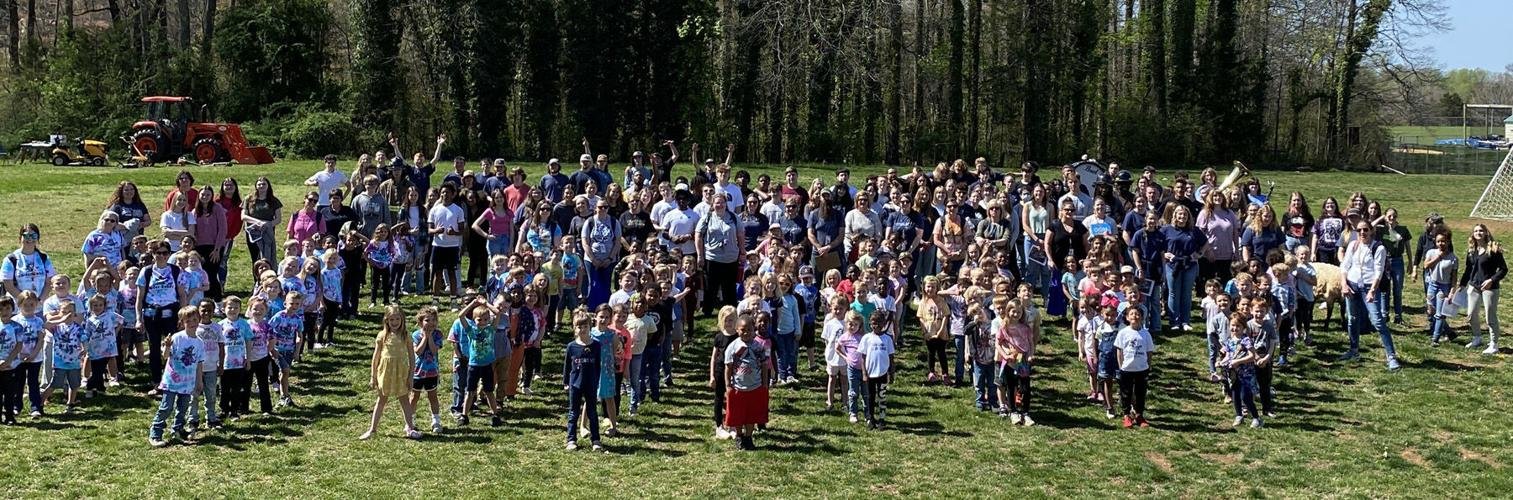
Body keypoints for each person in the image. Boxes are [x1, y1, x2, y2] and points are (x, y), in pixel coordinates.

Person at [1338, 220, 1400, 370]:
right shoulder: (1353, 245)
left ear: (1371, 230)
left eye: (1365, 230)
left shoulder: (1378, 248)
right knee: (1352, 319)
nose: (1362, 233)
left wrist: (1373, 290)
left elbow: (1378, 272)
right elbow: (1345, 266)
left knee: (1377, 320)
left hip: (1369, 287)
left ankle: (1391, 356)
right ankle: (1353, 350)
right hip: (1352, 285)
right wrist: (1344, 284)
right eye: (1359, 230)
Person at [148, 305, 204, 447]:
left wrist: (199, 382)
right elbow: (166, 356)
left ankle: (177, 430)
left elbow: (198, 364)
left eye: (195, 319)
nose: (192, 323)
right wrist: (167, 346)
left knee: (183, 408)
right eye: (188, 321)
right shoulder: (177, 338)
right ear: (182, 322)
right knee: (166, 407)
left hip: (187, 383)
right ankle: (156, 433)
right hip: (172, 381)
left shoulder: (199, 343)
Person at [361, 305, 420, 440]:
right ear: (386, 320)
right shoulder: (382, 335)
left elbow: (412, 356)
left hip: (401, 372)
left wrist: (411, 376)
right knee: (381, 399)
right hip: (385, 372)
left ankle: (410, 428)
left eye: (397, 319)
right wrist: (373, 376)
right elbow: (375, 357)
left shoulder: (406, 335)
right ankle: (372, 429)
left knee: (404, 400)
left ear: (402, 319)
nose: (394, 322)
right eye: (391, 319)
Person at [724, 313, 771, 450]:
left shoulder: (758, 347)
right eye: (742, 330)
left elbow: (764, 366)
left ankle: (749, 437)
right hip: (738, 387)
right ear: (737, 329)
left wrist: (764, 384)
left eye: (749, 330)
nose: (746, 333)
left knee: (751, 414)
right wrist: (728, 385)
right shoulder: (733, 347)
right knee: (738, 415)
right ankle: (739, 436)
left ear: (754, 329)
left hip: (755, 387)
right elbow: (728, 367)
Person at [1460, 224, 1506, 354]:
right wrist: (1462, 285)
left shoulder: (1493, 249)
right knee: (1471, 314)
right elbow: (1469, 269)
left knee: (1490, 316)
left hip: (1490, 288)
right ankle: (1477, 337)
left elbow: (1503, 269)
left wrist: (1491, 280)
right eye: (1475, 231)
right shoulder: (1472, 250)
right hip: (1474, 286)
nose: (1478, 233)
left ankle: (1494, 344)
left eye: (1481, 231)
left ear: (1486, 233)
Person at [695, 193, 744, 314]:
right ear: (712, 204)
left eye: (722, 202)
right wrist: (700, 255)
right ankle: (707, 310)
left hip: (731, 258)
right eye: (717, 202)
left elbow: (740, 234)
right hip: (712, 258)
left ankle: (731, 310)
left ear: (726, 204)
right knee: (710, 287)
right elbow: (698, 235)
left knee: (729, 287)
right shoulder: (707, 218)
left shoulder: (733, 217)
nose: (720, 205)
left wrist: (742, 251)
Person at [562, 309, 602, 451]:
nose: (582, 329)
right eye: (579, 326)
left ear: (590, 327)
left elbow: (598, 365)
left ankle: (596, 440)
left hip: (591, 384)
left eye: (585, 326)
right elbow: (567, 366)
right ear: (574, 328)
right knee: (573, 413)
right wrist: (566, 382)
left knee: (592, 412)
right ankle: (571, 439)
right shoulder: (571, 347)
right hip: (575, 384)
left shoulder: (596, 345)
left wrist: (597, 381)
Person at [1114, 306, 1156, 428]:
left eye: (1137, 314)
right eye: (1132, 314)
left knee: (1140, 393)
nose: (1135, 316)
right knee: (1125, 393)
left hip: (1141, 369)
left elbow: (1149, 351)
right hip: (1126, 369)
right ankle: (1126, 415)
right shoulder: (1123, 333)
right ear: (1127, 317)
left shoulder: (1145, 334)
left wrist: (1148, 365)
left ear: (1142, 318)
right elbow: (1119, 350)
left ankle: (1139, 415)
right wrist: (1121, 365)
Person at [857, 310, 894, 430]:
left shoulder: (887, 339)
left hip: (882, 373)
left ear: (884, 323)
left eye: (878, 323)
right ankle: (870, 418)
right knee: (870, 397)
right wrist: (864, 373)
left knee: (882, 397)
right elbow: (863, 357)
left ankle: (882, 419)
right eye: (873, 323)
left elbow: (891, 357)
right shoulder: (866, 338)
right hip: (870, 374)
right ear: (869, 324)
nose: (876, 326)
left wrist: (891, 373)